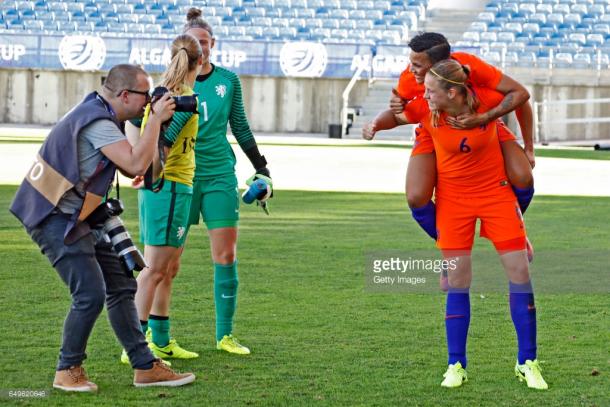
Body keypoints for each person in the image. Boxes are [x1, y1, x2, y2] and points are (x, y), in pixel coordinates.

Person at [9, 64, 196, 392]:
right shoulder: (98, 120)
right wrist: (155, 120)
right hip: (54, 216)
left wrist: (144, 143)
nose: (148, 102)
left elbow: (129, 163)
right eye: (145, 96)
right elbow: (136, 162)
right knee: (90, 292)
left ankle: (144, 366)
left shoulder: (100, 111)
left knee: (123, 284)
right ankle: (67, 369)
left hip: (82, 214)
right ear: (125, 95)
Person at [146, 7, 273, 357]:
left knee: (226, 255)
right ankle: (158, 339)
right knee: (168, 262)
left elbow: (241, 128)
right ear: (184, 50)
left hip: (219, 174)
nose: (201, 51)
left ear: (213, 44)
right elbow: (156, 135)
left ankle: (225, 336)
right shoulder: (170, 88)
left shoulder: (228, 81)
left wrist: (262, 167)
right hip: (179, 178)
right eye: (194, 45)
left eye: (205, 43)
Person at [415, 59, 547, 390]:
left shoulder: (486, 99)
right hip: (453, 202)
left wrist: (527, 145)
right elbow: (397, 114)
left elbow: (521, 98)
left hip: (496, 195)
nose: (424, 94)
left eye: (431, 89)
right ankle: (455, 365)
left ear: (452, 91)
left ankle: (527, 362)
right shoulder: (424, 109)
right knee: (458, 280)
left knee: (519, 273)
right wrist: (377, 122)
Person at [122, 34, 203, 362]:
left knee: (168, 268)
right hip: (169, 189)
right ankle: (136, 348)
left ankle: (163, 338)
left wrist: (142, 168)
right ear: (198, 64)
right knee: (154, 269)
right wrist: (149, 173)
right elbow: (164, 144)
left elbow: (136, 127)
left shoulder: (164, 95)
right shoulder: (182, 98)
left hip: (170, 188)